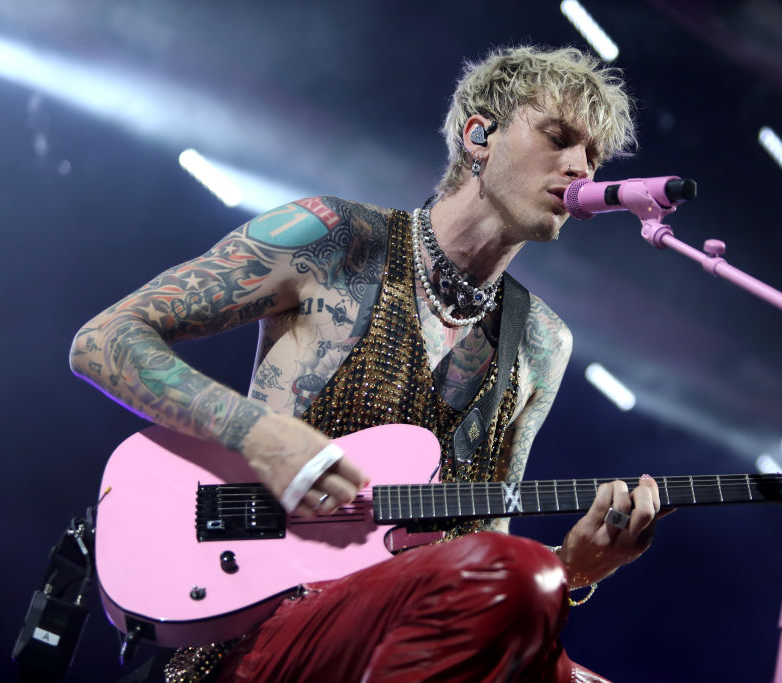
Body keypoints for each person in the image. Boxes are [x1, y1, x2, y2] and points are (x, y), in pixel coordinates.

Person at [70, 45, 661, 682]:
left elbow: (475, 538)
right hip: (255, 623)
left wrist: (571, 569)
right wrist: (256, 433)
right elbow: (103, 340)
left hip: (397, 628)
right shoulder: (334, 238)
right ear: (479, 137)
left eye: (593, 155)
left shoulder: (543, 342)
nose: (580, 168)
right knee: (513, 575)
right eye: (559, 137)